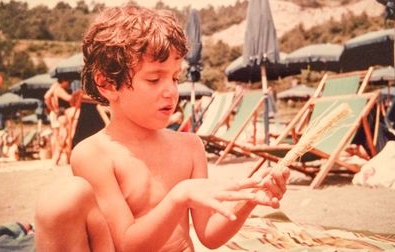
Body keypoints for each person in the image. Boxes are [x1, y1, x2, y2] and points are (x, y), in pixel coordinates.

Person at [35, 4, 289, 252]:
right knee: (61, 199)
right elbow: (126, 244)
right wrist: (180, 197)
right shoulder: (95, 154)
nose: (171, 91)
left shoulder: (190, 147)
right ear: (108, 84)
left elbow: (209, 236)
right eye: (154, 79)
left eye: (175, 77)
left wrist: (250, 198)